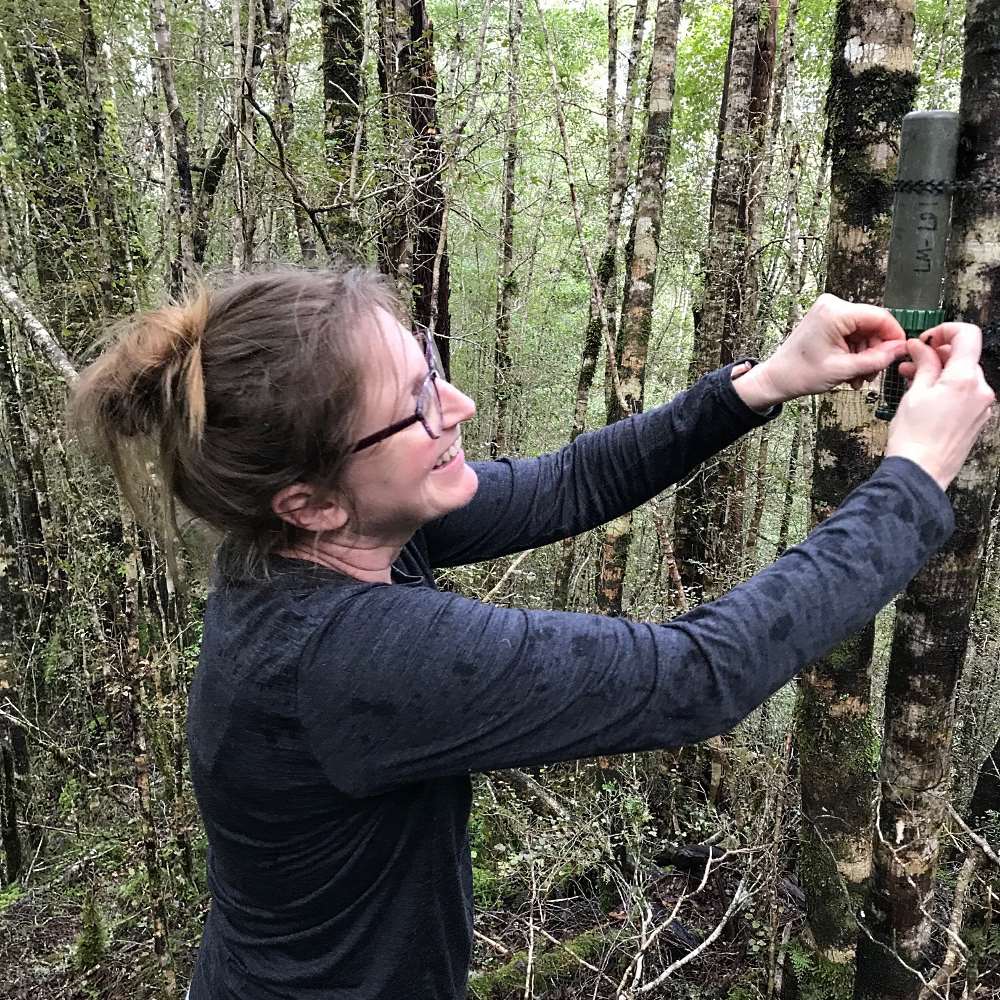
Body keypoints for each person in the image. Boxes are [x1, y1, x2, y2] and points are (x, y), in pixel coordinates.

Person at [70, 266, 994, 999]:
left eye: (428, 366)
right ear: (306, 502)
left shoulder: (334, 532)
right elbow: (696, 678)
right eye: (418, 404)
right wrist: (913, 478)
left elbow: (566, 485)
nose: (457, 405)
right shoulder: (349, 656)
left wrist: (764, 382)